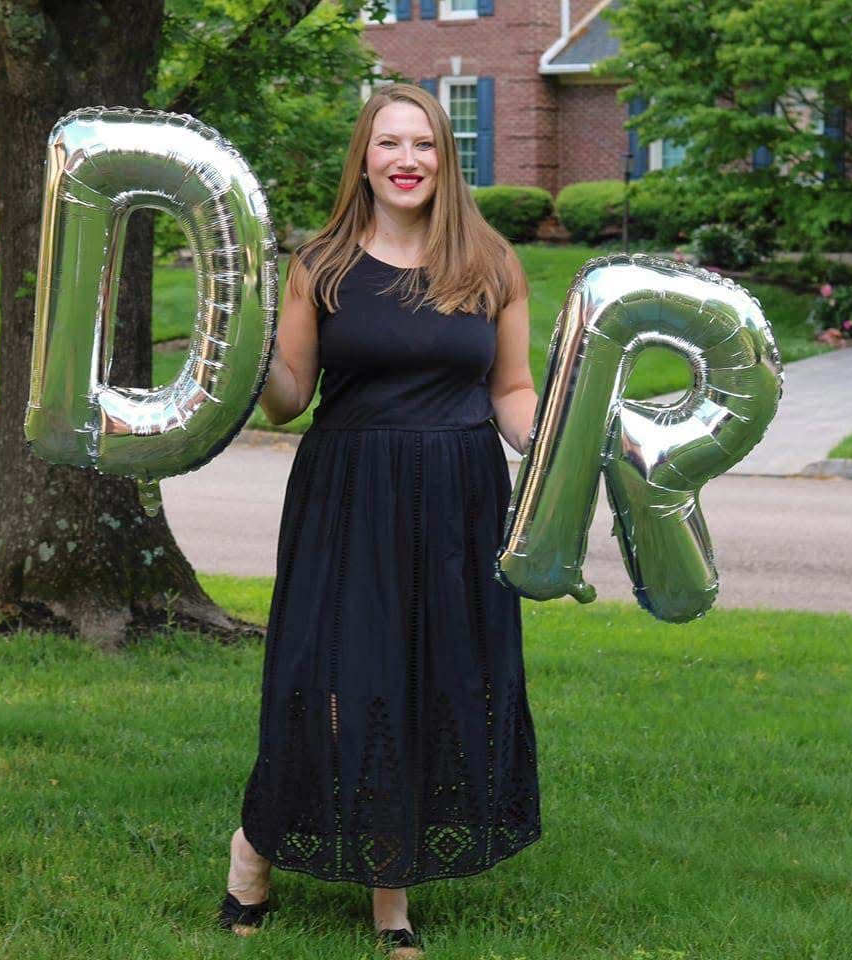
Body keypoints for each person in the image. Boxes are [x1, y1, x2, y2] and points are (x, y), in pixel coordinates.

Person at [219, 82, 541, 957]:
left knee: (434, 678)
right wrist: (243, 356)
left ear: (448, 159)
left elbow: (510, 389)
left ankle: (388, 896)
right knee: (336, 678)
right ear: (364, 156)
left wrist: (545, 447)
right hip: (350, 492)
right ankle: (255, 848)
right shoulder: (319, 265)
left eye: (425, 145)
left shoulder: (492, 263)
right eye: (390, 143)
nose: (408, 160)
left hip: (461, 495)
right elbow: (288, 399)